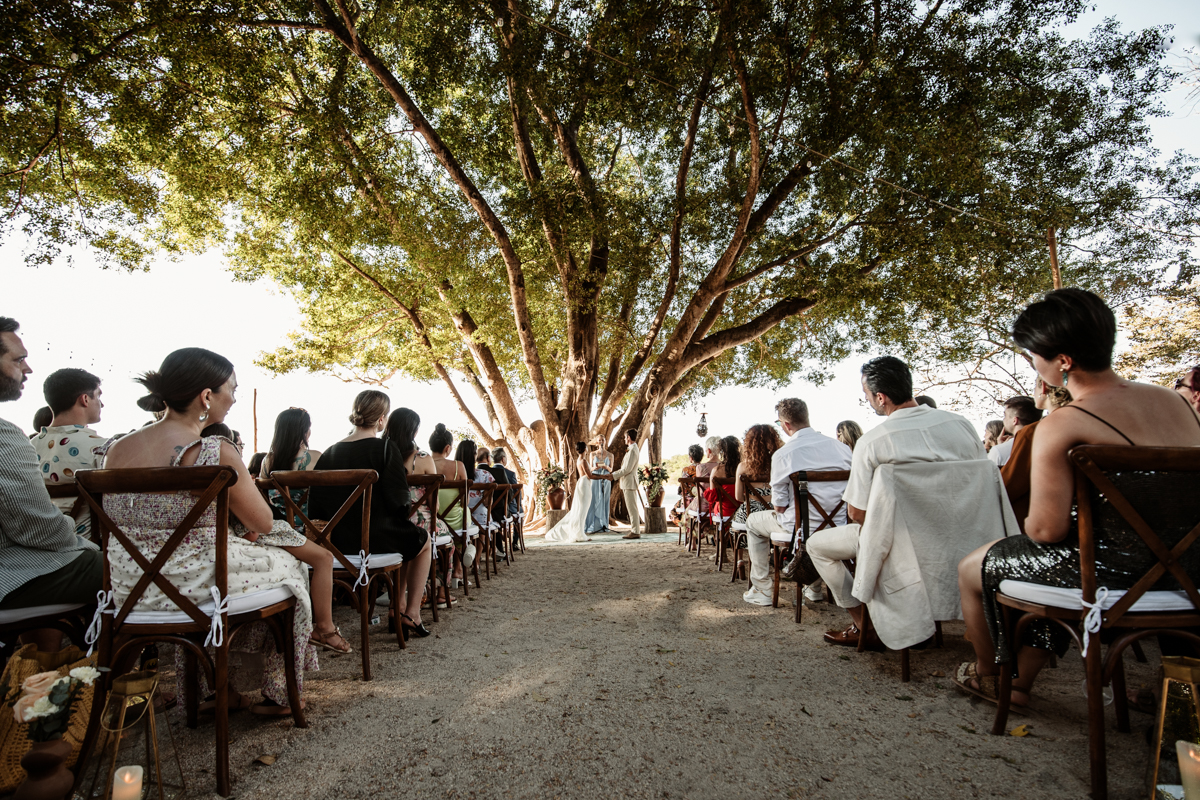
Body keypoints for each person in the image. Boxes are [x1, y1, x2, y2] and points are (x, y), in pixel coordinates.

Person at [956, 288, 1200, 705]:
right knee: (1055, 564)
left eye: (1034, 354)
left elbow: (1047, 530)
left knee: (973, 567)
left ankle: (990, 675)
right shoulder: (1174, 403)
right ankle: (1021, 680)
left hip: (1109, 578)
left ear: (1063, 361)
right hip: (1189, 574)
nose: (1033, 363)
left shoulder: (1062, 424)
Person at [98, 347, 320, 713]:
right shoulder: (215, 450)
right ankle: (280, 693)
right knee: (290, 566)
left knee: (248, 564)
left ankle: (217, 689)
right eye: (231, 389)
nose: (233, 398)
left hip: (130, 588)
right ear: (206, 396)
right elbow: (262, 523)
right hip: (198, 586)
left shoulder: (117, 449)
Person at [812, 356, 987, 647]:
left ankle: (863, 624)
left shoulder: (874, 441)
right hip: (966, 541)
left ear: (880, 398)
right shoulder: (962, 426)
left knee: (817, 546)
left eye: (866, 396)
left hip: (902, 546)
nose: (867, 400)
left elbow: (857, 513)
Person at [0, 318, 101, 650]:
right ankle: (109, 682)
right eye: (17, 359)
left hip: (22, 559)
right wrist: (80, 538)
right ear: (85, 399)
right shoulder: (5, 435)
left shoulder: (34, 441)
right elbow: (37, 530)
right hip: (10, 574)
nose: (27, 369)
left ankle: (37, 663)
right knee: (135, 569)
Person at [311, 390, 433, 639]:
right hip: (376, 541)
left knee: (407, 536)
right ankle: (409, 613)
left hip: (335, 546)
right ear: (381, 420)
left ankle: (399, 609)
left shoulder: (329, 453)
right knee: (423, 540)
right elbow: (400, 503)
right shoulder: (386, 449)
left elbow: (316, 509)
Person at [743, 398, 852, 607]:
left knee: (753, 521)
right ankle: (815, 587)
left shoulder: (784, 454)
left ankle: (762, 588)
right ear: (807, 417)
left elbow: (779, 506)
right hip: (839, 525)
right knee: (811, 525)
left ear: (786, 425)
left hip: (800, 528)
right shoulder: (842, 449)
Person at [383, 407, 454, 607]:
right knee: (446, 540)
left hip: (385, 524)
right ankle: (437, 591)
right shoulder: (422, 459)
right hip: (418, 523)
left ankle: (397, 601)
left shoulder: (380, 456)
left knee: (406, 545)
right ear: (414, 431)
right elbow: (435, 504)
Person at [33, 368, 108, 537]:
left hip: (38, 543)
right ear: (85, 399)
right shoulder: (102, 448)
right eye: (99, 396)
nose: (102, 404)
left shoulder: (27, 448)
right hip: (90, 547)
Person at [998, 377, 1072, 531]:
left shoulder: (1032, 433)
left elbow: (1009, 486)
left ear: (1043, 388)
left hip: (1042, 526)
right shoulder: (1091, 426)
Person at [259, 408, 322, 526]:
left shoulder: (267, 461)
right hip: (311, 529)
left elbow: (262, 497)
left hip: (275, 526)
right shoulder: (316, 457)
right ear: (305, 431)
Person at [430, 423, 474, 585]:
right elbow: (465, 501)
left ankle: (437, 571)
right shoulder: (458, 466)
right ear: (448, 448)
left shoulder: (420, 465)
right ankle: (457, 570)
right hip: (456, 522)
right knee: (462, 519)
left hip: (432, 521)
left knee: (449, 523)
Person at [544, 441, 613, 543]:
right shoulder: (584, 461)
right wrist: (604, 476)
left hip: (583, 483)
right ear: (585, 449)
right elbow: (589, 476)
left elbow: (588, 472)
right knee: (582, 510)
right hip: (584, 485)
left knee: (582, 510)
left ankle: (580, 533)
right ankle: (579, 534)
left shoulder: (579, 460)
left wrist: (596, 470)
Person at [731, 425, 783, 530]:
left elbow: (738, 497)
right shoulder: (780, 464)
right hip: (775, 513)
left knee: (737, 524)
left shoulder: (743, 467)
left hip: (750, 514)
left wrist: (756, 499)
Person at [988, 395, 1042, 467]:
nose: (1003, 420)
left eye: (1005, 416)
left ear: (1014, 421)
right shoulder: (1049, 445)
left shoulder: (998, 452)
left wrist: (1001, 448)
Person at [611, 428, 642, 539]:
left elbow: (627, 469)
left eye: (625, 437)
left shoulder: (633, 450)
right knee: (631, 508)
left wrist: (613, 475)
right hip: (627, 482)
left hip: (630, 483)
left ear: (628, 437)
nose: (624, 439)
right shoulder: (632, 449)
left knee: (632, 508)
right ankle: (634, 530)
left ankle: (635, 531)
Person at [705, 435, 742, 521]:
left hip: (723, 513)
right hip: (743, 511)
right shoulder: (746, 469)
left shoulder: (716, 470)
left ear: (722, 451)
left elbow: (712, 497)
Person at [669, 444, 704, 527]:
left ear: (691, 457)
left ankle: (687, 528)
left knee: (673, 513)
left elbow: (682, 490)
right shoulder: (704, 469)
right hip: (704, 501)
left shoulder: (686, 470)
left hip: (689, 501)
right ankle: (695, 529)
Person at [585, 437, 614, 534]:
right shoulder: (592, 454)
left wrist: (605, 467)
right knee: (595, 500)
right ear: (597, 442)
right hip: (595, 479)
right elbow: (590, 469)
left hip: (606, 479)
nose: (601, 442)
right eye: (600, 440)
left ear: (605, 442)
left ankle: (604, 524)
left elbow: (611, 470)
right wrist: (596, 467)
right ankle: (594, 524)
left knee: (605, 501)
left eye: (603, 440)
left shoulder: (610, 455)